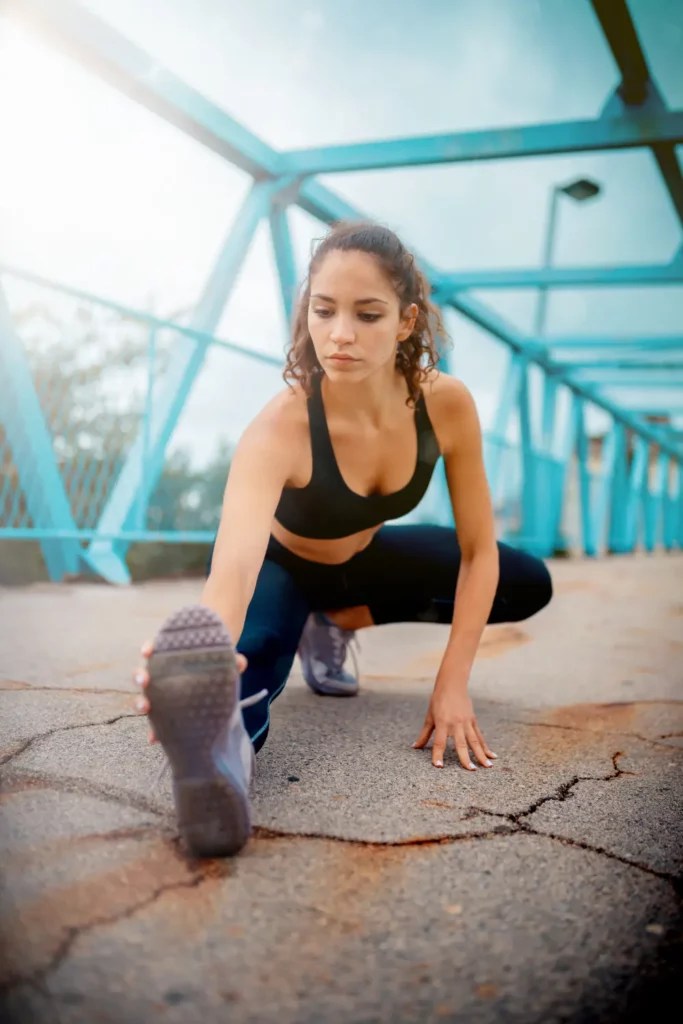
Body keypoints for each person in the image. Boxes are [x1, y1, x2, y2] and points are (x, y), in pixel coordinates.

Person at [132, 221, 552, 858]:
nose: (341, 334)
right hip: (285, 568)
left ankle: (334, 622)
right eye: (324, 311)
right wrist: (201, 657)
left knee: (527, 580)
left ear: (407, 322)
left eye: (368, 313)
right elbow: (235, 570)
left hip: (364, 561)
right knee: (257, 649)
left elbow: (478, 551)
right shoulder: (282, 424)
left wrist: (452, 683)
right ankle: (220, 764)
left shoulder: (447, 405)